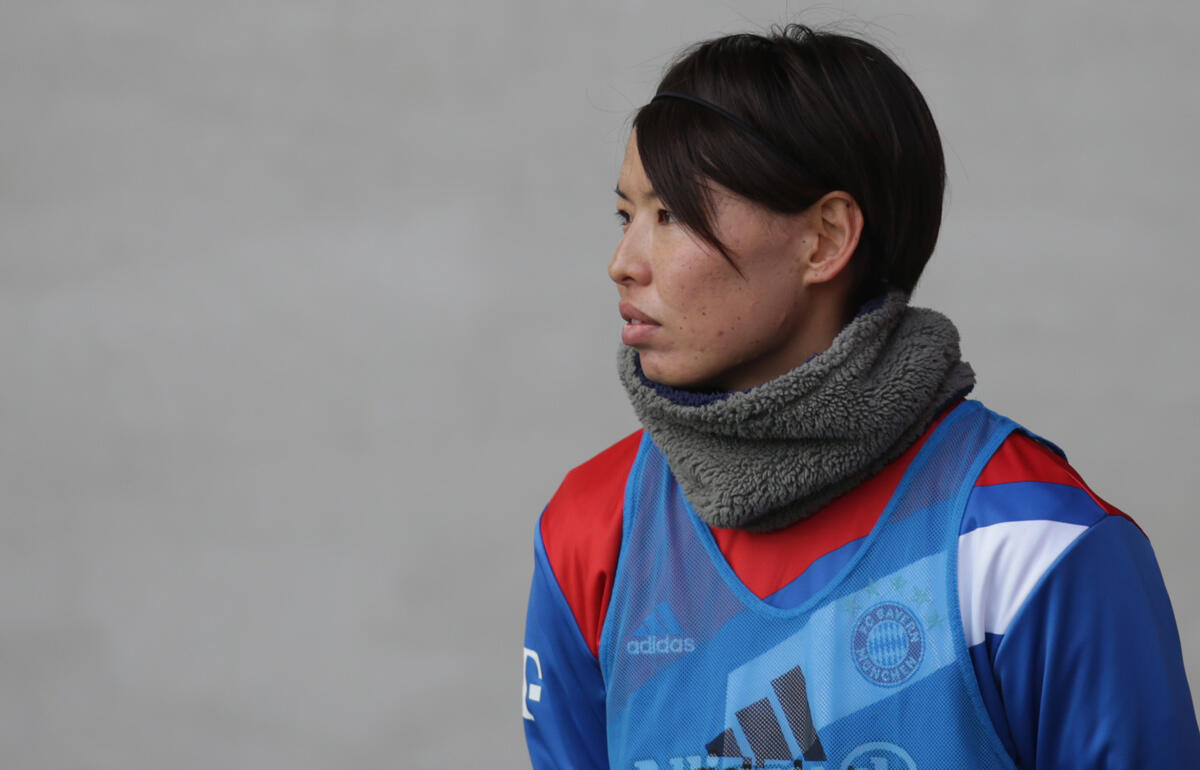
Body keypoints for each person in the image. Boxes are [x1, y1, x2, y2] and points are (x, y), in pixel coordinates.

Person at [521, 24, 1200, 769]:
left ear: (824, 239)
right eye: (627, 216)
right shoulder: (591, 531)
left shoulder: (1032, 542)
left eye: (671, 215)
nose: (622, 262)